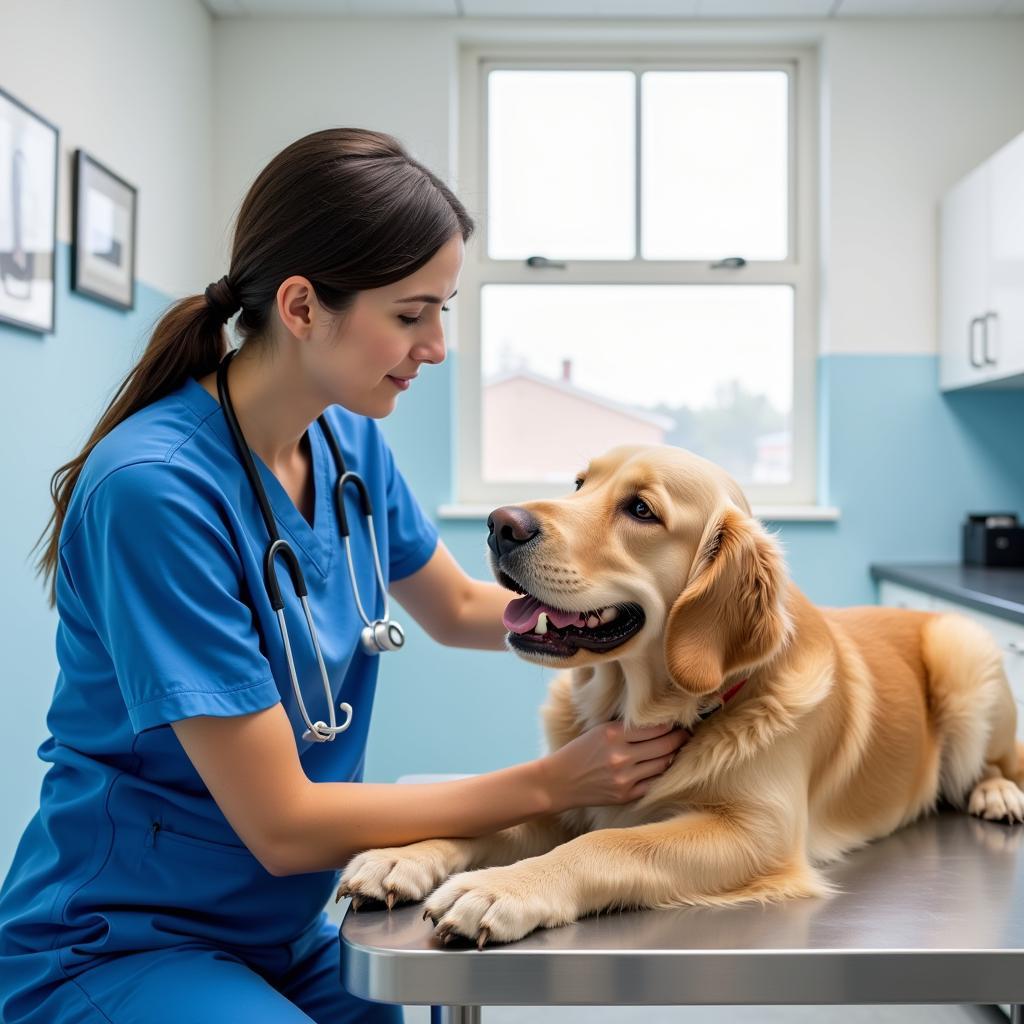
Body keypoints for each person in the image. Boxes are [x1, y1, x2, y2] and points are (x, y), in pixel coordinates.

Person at [0, 128, 689, 1023]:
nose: (436, 346)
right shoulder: (153, 494)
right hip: (121, 939)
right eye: (411, 314)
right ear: (300, 306)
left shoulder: (346, 441)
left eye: (444, 310)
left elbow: (461, 608)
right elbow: (283, 824)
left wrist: (657, 607)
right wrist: (555, 782)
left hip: (282, 931)